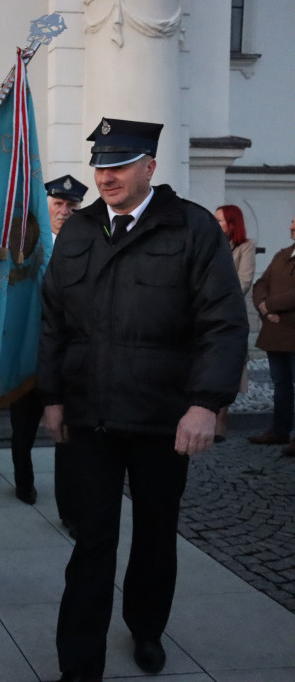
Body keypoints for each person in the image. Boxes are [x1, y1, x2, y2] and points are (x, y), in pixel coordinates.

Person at [38, 118, 248, 681]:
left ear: (150, 167)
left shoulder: (192, 228)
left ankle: (147, 627)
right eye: (100, 165)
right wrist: (52, 396)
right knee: (92, 542)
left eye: (120, 164)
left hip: (164, 416)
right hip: (90, 414)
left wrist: (206, 403)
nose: (106, 175)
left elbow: (223, 324)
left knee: (156, 535)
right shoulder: (78, 231)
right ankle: (78, 663)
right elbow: (54, 320)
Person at [7, 174, 89, 509]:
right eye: (59, 204)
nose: (65, 211)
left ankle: (69, 506)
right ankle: (24, 482)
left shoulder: (86, 246)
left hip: (68, 357)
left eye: (72, 206)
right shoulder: (27, 246)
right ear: (46, 205)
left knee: (67, 434)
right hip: (30, 353)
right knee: (22, 428)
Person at [248, 215, 295, 455]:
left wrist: (270, 306)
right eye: (292, 222)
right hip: (276, 333)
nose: (291, 226)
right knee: (281, 385)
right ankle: (280, 430)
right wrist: (263, 306)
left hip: (291, 332)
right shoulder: (282, 255)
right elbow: (260, 284)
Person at [214, 204, 256, 441]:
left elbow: (244, 282)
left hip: (229, 316)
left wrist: (215, 297)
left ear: (232, 223)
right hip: (206, 316)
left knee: (228, 369)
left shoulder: (244, 248)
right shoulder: (210, 245)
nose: (216, 224)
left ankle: (221, 422)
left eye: (220, 220)